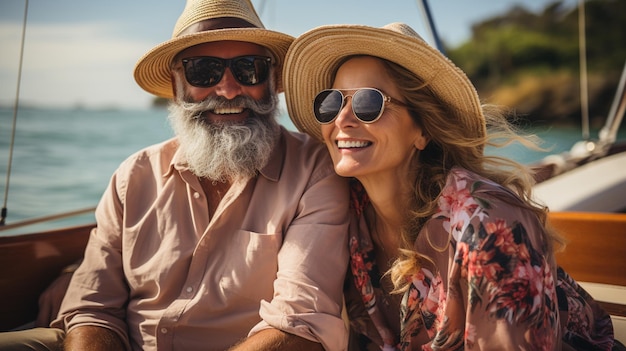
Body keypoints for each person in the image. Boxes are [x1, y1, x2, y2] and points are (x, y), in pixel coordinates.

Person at [0, 1, 350, 350]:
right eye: (203, 71)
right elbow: (93, 310)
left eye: (249, 69)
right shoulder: (133, 176)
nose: (228, 90)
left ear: (271, 81)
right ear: (176, 83)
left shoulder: (313, 172)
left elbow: (298, 325)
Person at [282, 22, 620, 350]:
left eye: (368, 103)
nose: (342, 119)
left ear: (423, 130)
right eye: (332, 102)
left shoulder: (488, 226)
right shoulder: (345, 209)